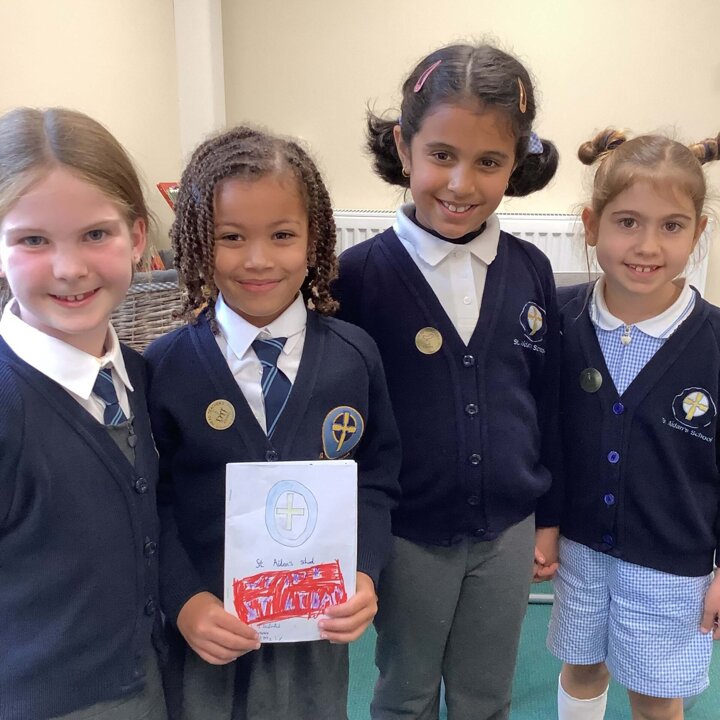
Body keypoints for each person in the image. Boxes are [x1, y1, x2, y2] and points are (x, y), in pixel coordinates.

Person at [332, 42, 561, 720]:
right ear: (404, 148)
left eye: (488, 162)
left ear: (515, 163)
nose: (461, 184)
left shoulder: (531, 270)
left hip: (508, 531)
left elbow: (545, 401)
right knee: (405, 693)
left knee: (485, 695)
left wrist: (548, 519)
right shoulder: (357, 278)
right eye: (441, 155)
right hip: (406, 534)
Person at [144, 126, 401, 720]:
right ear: (198, 242)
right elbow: (151, 503)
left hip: (314, 638)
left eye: (282, 235)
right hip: (208, 637)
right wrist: (183, 601)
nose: (257, 259)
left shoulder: (354, 357)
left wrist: (365, 572)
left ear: (315, 241)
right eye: (231, 237)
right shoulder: (165, 367)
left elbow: (376, 479)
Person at [0, 107, 166, 719]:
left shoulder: (142, 378)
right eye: (33, 240)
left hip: (152, 681)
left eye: (96, 234)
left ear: (137, 237)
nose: (69, 269)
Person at [548, 129, 720, 720]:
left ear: (698, 232)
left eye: (672, 226)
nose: (647, 245)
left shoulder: (714, 341)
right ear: (592, 225)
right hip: (578, 551)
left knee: (653, 698)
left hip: (672, 566)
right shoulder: (558, 320)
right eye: (627, 222)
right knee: (582, 668)